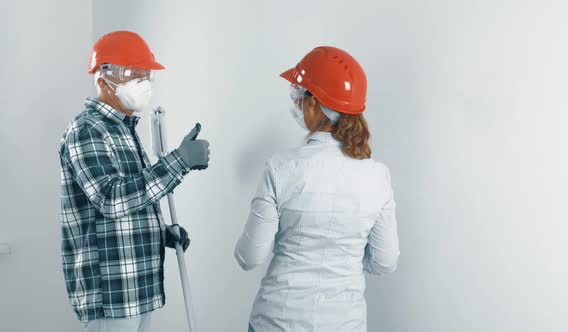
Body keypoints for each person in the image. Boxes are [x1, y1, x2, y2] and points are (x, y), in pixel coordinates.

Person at [234, 46, 400, 332]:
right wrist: (344, 254)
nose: (296, 102)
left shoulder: (280, 167)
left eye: (298, 95)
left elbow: (250, 257)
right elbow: (385, 262)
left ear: (314, 104)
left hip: (277, 321)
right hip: (345, 324)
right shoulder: (377, 176)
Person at [59, 30, 210, 331]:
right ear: (103, 78)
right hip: (111, 293)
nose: (143, 83)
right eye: (132, 75)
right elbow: (110, 198)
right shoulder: (87, 130)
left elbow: (131, 199)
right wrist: (179, 160)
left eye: (146, 76)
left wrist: (161, 231)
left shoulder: (123, 129)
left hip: (136, 287)